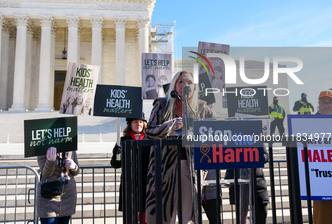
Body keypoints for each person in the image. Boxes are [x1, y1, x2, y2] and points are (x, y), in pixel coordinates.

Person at [145, 71, 218, 224]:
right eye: (181, 82)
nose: (185, 86)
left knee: (187, 215)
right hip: (164, 167)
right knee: (164, 214)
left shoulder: (201, 107)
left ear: (194, 87)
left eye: (189, 83)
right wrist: (169, 126)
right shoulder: (162, 105)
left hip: (191, 167)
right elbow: (149, 131)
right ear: (174, 85)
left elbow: (219, 124)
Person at [111, 113, 149, 224]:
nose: (139, 124)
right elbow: (115, 164)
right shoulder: (123, 140)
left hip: (145, 183)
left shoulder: (149, 139)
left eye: (141, 122)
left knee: (145, 215)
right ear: (130, 125)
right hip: (130, 184)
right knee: (130, 217)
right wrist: (117, 155)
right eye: (135, 122)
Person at [224, 145, 269, 224]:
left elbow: (266, 157)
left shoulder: (255, 138)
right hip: (239, 183)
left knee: (262, 213)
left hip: (257, 183)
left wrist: (253, 155)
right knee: (242, 217)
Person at [37, 147, 79, 224]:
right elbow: (45, 173)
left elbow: (76, 171)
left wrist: (74, 166)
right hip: (49, 197)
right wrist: (50, 161)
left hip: (67, 197)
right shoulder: (43, 147)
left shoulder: (70, 147)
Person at [313, 89, 332, 224]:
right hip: (321, 181)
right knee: (322, 218)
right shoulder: (310, 125)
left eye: (330, 102)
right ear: (318, 104)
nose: (327, 105)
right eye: (323, 102)